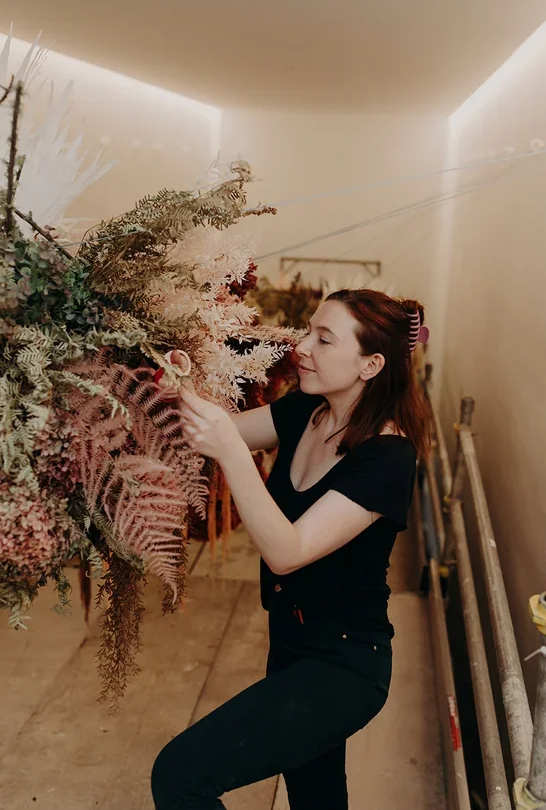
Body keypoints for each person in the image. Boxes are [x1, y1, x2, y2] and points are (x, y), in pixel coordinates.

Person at [151, 288, 431, 810]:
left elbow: (289, 550)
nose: (302, 347)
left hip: (345, 666)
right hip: (291, 640)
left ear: (371, 364)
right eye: (308, 331)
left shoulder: (388, 459)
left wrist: (232, 456)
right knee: (316, 796)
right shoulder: (310, 409)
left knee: (181, 774)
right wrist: (178, 382)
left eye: (323, 339)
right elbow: (219, 432)